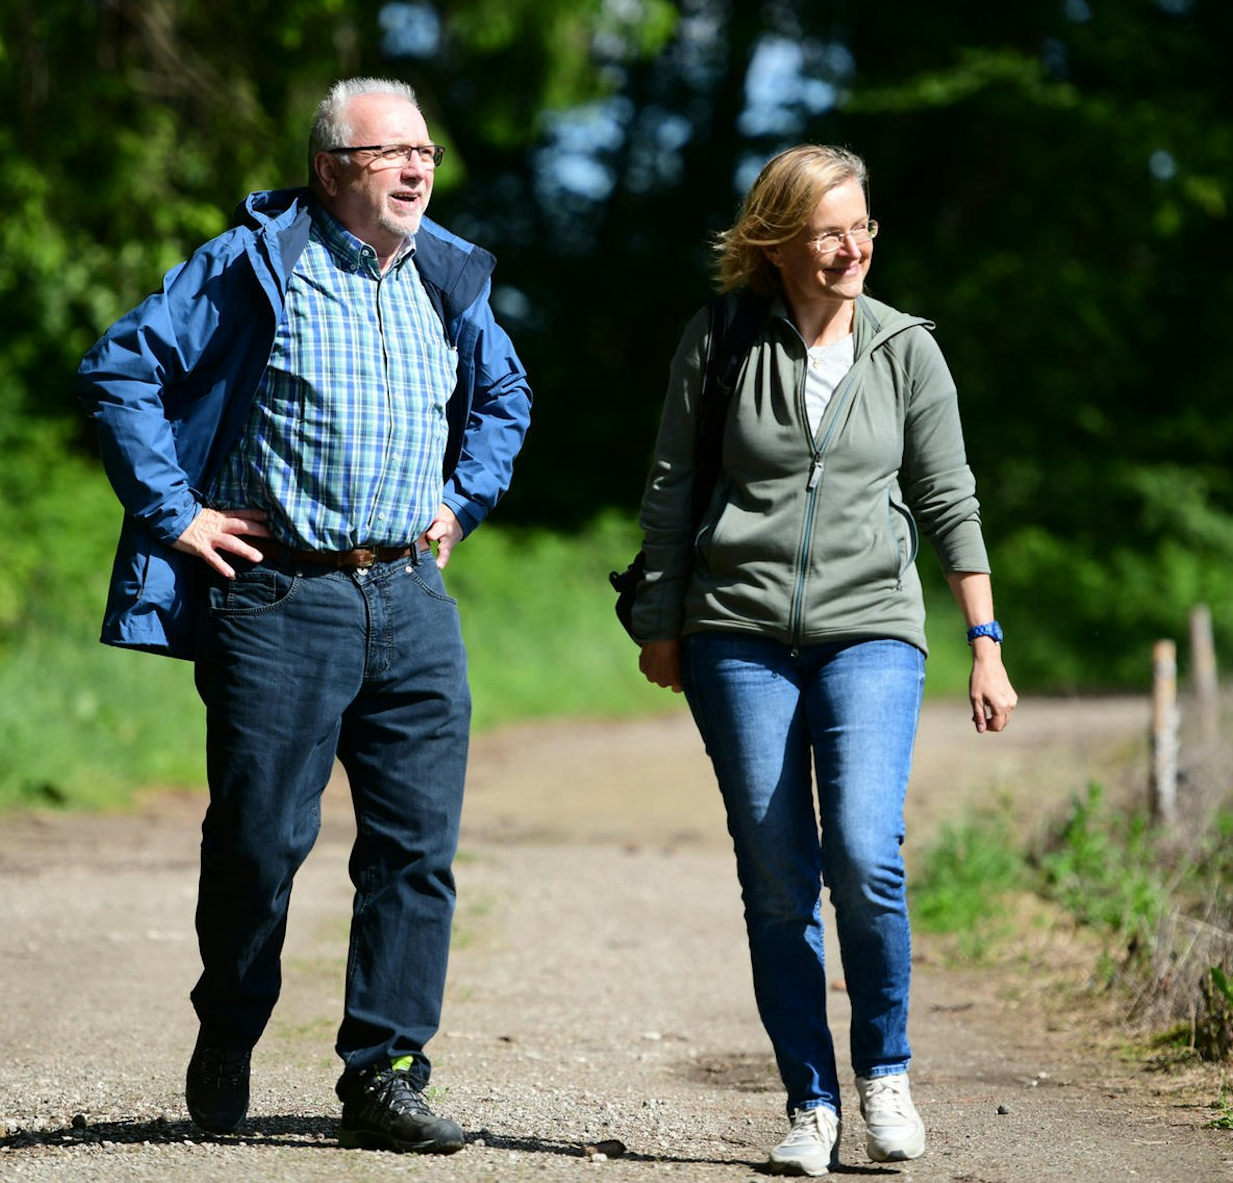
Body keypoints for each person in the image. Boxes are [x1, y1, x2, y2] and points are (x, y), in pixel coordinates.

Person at [75, 77, 531, 1155]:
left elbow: (506, 396)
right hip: (275, 599)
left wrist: (462, 497)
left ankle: (384, 1072)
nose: (416, 168)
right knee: (257, 843)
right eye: (390, 154)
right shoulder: (252, 263)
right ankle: (227, 1028)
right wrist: (174, 514)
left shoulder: (448, 276)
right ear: (332, 170)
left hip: (410, 599)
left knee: (414, 850)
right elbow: (119, 368)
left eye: (423, 150)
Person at [626, 144, 1015, 1176]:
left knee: (862, 851)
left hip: (870, 629)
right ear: (778, 241)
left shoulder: (905, 350)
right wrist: (660, 621)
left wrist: (984, 640)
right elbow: (670, 490)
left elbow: (948, 499)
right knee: (774, 877)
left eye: (863, 228)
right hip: (736, 635)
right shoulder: (717, 342)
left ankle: (883, 1070)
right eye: (829, 231)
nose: (851, 249)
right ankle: (808, 1102)